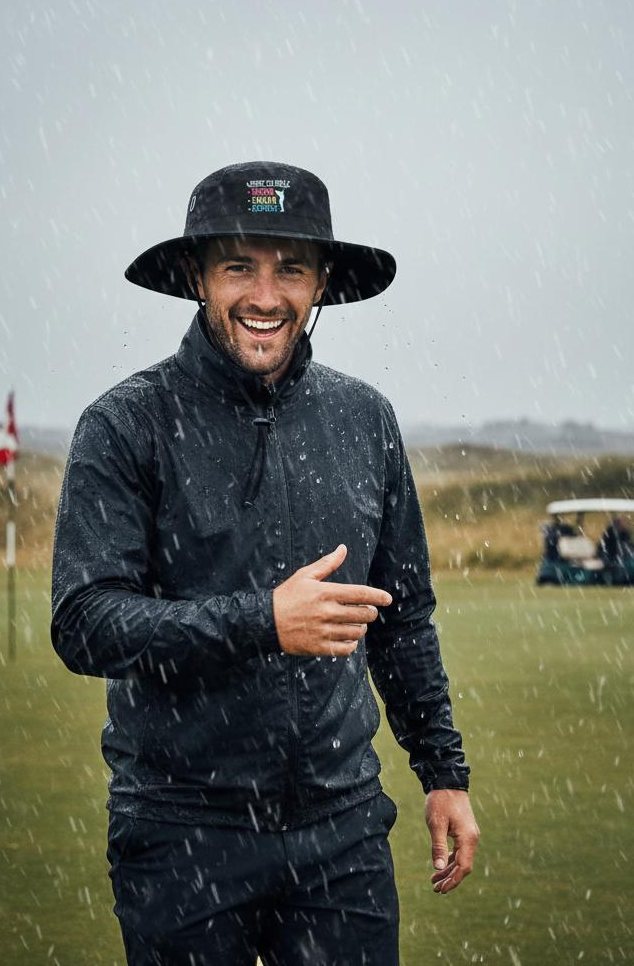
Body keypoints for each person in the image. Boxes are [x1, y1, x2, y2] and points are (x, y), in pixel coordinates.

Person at [50, 161, 478, 965]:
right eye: (239, 265)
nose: (265, 294)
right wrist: (262, 621)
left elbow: (403, 615)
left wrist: (443, 773)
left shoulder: (365, 420)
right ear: (197, 277)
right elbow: (84, 622)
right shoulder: (126, 424)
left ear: (320, 284)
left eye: (291, 268)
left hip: (341, 832)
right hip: (182, 831)